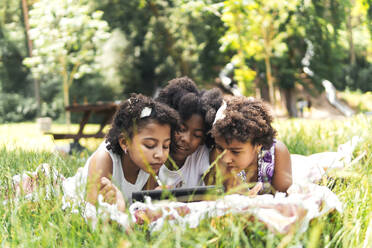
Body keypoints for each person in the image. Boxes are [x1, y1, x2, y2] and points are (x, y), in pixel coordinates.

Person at [62, 94, 180, 211]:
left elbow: (139, 210)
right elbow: (93, 214)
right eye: (150, 145)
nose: (160, 154)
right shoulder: (104, 159)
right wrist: (120, 208)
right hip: (71, 197)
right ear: (124, 142)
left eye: (165, 146)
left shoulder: (150, 165)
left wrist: (155, 201)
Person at [207, 96, 292, 193]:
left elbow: (284, 197)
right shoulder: (217, 157)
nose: (225, 159)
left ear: (258, 144)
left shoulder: (277, 153)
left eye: (235, 152)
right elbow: (238, 197)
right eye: (220, 148)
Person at [155, 77, 223, 188]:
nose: (186, 139)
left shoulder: (201, 155)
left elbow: (215, 191)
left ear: (203, 139)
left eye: (197, 135)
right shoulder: (153, 155)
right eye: (181, 129)